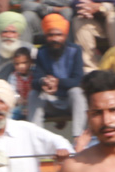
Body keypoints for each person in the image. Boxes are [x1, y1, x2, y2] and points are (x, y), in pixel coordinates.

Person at [30, 14, 88, 144]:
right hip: (51, 101)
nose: (54, 39)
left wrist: (58, 82)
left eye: (58, 35)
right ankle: (36, 139)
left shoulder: (75, 50)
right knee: (34, 94)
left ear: (65, 35)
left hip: (69, 101)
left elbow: (78, 80)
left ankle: (78, 139)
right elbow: (35, 81)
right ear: (46, 36)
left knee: (77, 92)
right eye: (50, 35)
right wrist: (43, 82)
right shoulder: (42, 52)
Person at [73, 0, 115, 73]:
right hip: (93, 20)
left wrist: (98, 6)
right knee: (78, 20)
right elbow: (75, 3)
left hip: (112, 11)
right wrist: (85, 8)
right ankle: (91, 69)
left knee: (112, 16)